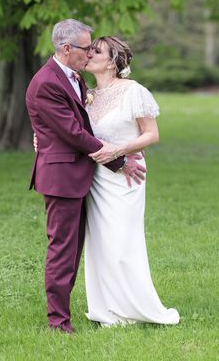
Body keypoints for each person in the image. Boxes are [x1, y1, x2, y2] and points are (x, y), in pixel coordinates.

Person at [25, 19, 146, 334]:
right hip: (61, 179)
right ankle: (58, 322)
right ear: (66, 49)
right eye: (86, 47)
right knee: (63, 250)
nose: (90, 52)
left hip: (80, 177)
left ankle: (100, 307)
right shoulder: (47, 82)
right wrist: (119, 162)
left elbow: (79, 126)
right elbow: (75, 134)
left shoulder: (73, 78)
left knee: (78, 249)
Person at [81, 35, 180, 326]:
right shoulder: (87, 94)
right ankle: (106, 309)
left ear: (112, 62)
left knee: (122, 241)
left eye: (96, 51)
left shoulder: (133, 92)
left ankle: (134, 307)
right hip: (96, 178)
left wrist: (120, 151)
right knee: (100, 242)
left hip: (127, 175)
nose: (88, 54)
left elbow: (152, 135)